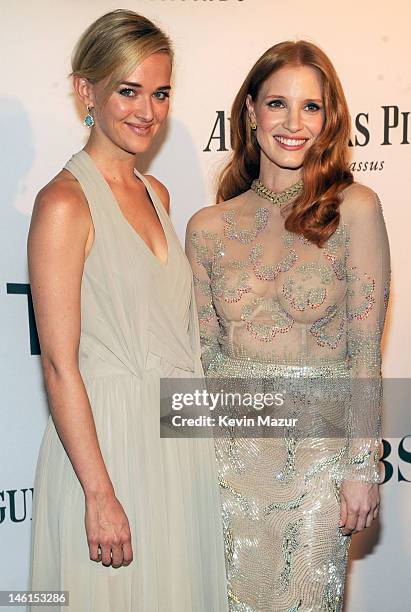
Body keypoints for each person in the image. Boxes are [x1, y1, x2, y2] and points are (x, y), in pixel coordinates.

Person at [28, 9, 228, 612]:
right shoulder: (63, 204)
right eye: (129, 91)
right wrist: (98, 493)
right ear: (86, 91)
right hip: (109, 448)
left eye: (161, 93)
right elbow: (60, 366)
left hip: (180, 448)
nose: (148, 111)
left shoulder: (157, 194)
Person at [186, 40, 390, 611]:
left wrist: (361, 466)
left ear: (330, 120)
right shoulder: (207, 227)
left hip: (317, 468)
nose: (293, 123)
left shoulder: (355, 208)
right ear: (250, 112)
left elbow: (364, 352)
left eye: (311, 107)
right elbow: (202, 356)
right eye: (278, 104)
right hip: (225, 465)